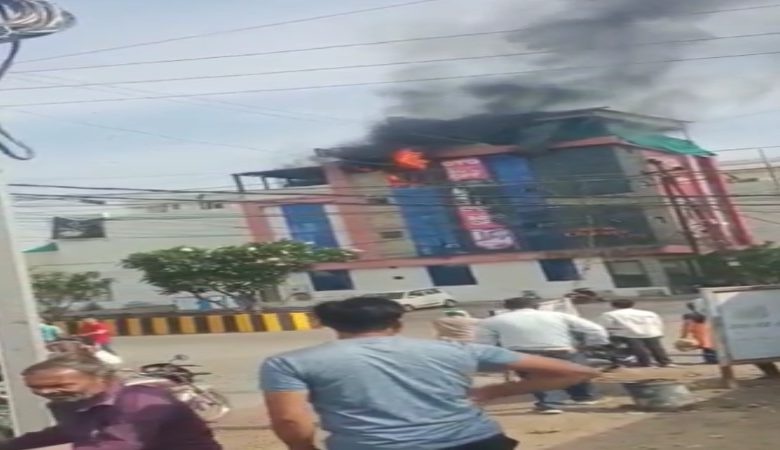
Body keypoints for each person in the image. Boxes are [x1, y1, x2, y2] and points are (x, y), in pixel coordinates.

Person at [260, 296, 598, 450]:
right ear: (397, 323)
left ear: (333, 326)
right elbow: (576, 371)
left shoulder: (290, 362)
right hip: (476, 442)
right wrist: (496, 391)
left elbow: (290, 420)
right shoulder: (457, 350)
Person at [0, 353, 221, 450]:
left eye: (63, 385)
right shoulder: (69, 402)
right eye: (36, 388)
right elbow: (68, 430)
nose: (47, 392)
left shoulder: (139, 401)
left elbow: (117, 444)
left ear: (102, 379)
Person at [477, 297, 609, 414]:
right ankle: (584, 397)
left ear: (507, 307)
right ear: (536, 306)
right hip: (561, 349)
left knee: (537, 378)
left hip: (522, 353)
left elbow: (485, 342)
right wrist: (593, 344)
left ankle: (550, 404)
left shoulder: (492, 321)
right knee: (574, 372)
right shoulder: (558, 316)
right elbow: (595, 329)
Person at [598, 299, 673, 368]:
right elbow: (658, 323)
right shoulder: (649, 313)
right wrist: (659, 332)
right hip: (651, 332)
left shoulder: (610, 314)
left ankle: (646, 363)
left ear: (614, 306)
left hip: (630, 333)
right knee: (656, 348)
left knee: (638, 349)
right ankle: (665, 362)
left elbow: (604, 326)